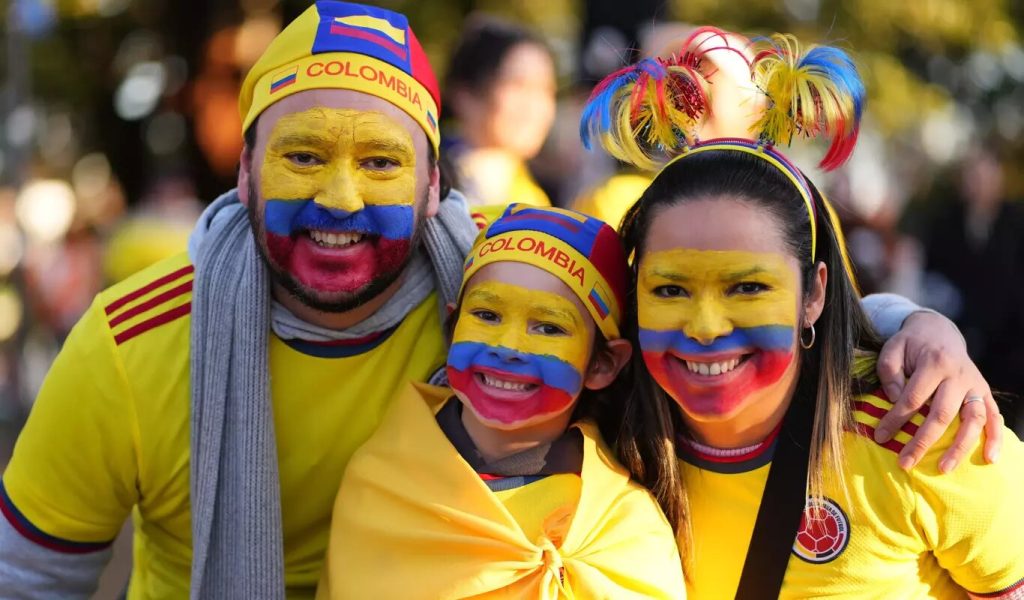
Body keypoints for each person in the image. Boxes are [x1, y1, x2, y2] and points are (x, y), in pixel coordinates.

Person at [0, 6, 1001, 598]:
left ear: (435, 186)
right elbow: (29, 579)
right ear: (246, 169)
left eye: (380, 163)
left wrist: (913, 328)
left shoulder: (499, 278)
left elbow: (689, 296)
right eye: (303, 156)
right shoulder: (133, 343)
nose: (340, 199)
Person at [582, 28, 1023, 599]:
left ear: (814, 292)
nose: (706, 326)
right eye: (669, 290)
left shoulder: (929, 430)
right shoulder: (598, 442)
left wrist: (919, 322)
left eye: (747, 287)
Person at [318, 205, 684, 599]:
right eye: (487, 315)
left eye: (549, 327)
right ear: (452, 327)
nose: (508, 347)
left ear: (602, 363)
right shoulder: (380, 479)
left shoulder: (623, 528)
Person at [443, 16, 556, 207]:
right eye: (518, 85)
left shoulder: (536, 202)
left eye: (547, 89)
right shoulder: (428, 182)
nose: (536, 106)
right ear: (465, 95)